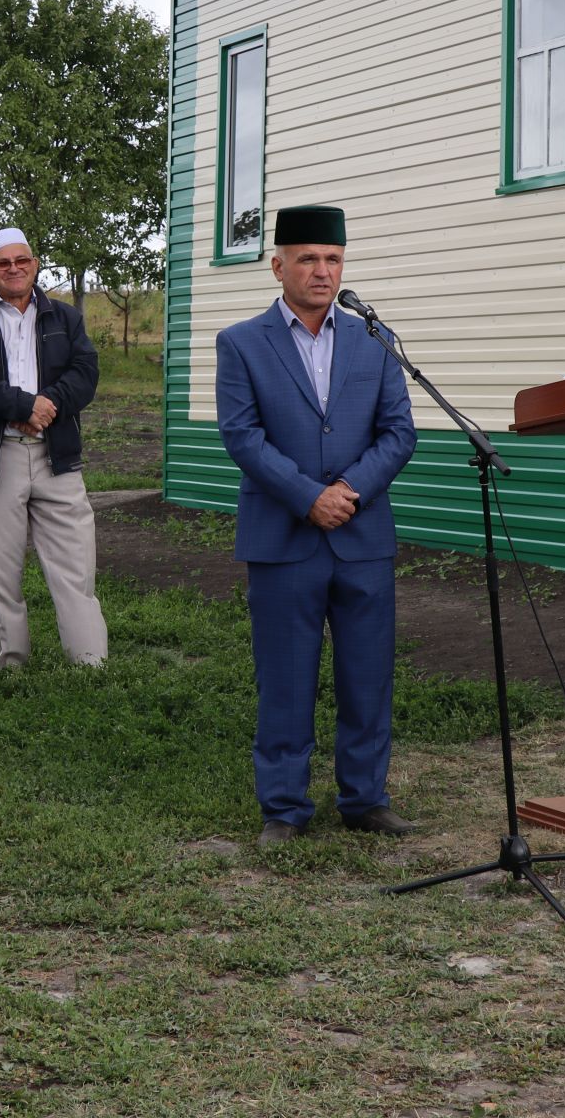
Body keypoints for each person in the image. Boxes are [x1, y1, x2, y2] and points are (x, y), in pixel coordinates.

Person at [214, 205, 418, 844]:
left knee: (367, 674)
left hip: (361, 539)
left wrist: (350, 491)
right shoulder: (242, 342)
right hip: (285, 538)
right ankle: (283, 807)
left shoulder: (374, 342)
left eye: (332, 259)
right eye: (307, 259)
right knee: (286, 676)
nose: (321, 271)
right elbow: (242, 437)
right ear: (278, 266)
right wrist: (309, 498)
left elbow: (399, 432)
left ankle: (365, 798)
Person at [0, 227, 106, 669]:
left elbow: (85, 372)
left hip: (57, 456)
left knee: (75, 565)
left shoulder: (65, 317)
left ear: (35, 264)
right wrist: (21, 405)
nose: (14, 269)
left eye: (22, 260)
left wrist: (45, 406)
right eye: (3, 263)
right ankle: (12, 662)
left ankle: (90, 664)